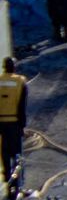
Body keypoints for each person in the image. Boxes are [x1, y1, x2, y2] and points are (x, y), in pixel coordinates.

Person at [0, 59, 27, 192]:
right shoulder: (20, 81)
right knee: (17, 155)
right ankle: (18, 183)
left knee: (4, 153)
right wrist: (22, 126)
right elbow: (22, 106)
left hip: (1, 123)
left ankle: (7, 181)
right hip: (15, 123)